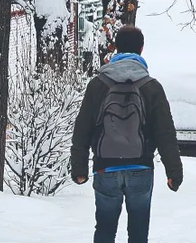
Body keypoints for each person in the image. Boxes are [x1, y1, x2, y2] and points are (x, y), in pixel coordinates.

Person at [71, 25, 184, 243]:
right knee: (138, 233)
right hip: (140, 168)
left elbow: (82, 129)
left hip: (105, 168)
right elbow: (165, 134)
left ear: (116, 48)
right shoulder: (151, 87)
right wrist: (174, 172)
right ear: (141, 49)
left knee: (104, 230)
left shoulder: (98, 85)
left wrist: (79, 169)